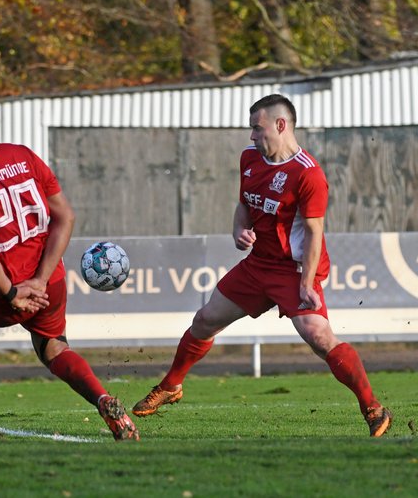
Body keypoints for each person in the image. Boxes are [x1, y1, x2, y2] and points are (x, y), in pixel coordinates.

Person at [133, 94, 392, 437]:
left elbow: (314, 233)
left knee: (319, 337)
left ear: (280, 125)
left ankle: (373, 407)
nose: (252, 135)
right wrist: (239, 229)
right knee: (205, 320)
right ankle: (171, 386)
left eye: (258, 128)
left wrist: (306, 283)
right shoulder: (250, 158)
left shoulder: (308, 174)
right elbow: (244, 204)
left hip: (295, 270)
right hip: (258, 265)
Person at [0, 94, 139, 441]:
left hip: (1, 290)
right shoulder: (22, 155)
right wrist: (40, 280)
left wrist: (12, 293)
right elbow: (65, 216)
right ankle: (102, 399)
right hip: (48, 283)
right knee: (54, 348)